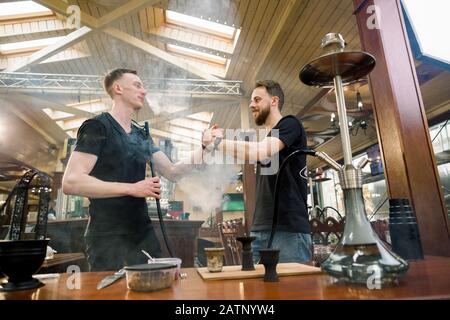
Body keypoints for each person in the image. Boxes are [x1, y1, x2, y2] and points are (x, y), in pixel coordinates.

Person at [62, 68, 203, 271]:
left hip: (141, 232)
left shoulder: (141, 134)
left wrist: (205, 148)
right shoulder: (97, 127)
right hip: (106, 234)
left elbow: (173, 172)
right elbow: (71, 182)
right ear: (118, 88)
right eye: (137, 85)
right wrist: (132, 188)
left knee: (156, 288)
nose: (144, 91)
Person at [202, 80, 311, 263]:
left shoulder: (290, 124)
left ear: (274, 101)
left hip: (288, 230)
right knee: (257, 291)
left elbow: (257, 151)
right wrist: (219, 142)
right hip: (260, 229)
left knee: (291, 291)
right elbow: (251, 152)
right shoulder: (267, 139)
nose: (252, 105)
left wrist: (216, 143)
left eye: (257, 99)